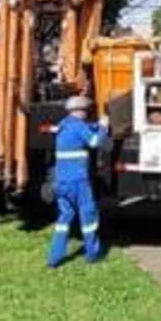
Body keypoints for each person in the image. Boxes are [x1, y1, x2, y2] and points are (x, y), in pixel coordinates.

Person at [47, 95, 110, 268]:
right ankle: (93, 253)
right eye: (86, 112)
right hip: (78, 181)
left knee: (64, 218)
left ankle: (54, 257)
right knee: (88, 215)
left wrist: (94, 125)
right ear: (82, 111)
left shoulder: (64, 125)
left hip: (61, 181)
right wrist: (103, 128)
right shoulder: (79, 127)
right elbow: (95, 142)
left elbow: (84, 129)